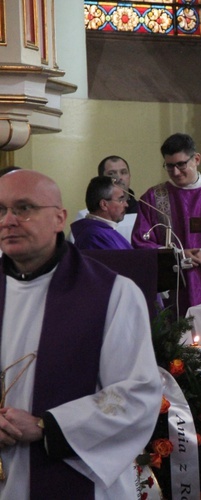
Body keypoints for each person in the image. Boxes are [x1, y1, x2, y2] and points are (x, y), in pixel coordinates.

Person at [0, 170, 161, 498]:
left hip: (76, 476)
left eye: (24, 208)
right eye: (1, 210)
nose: (8, 220)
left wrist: (48, 426)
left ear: (60, 218)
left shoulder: (112, 294)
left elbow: (138, 394)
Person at [131, 133, 201, 313]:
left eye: (181, 164)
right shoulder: (153, 198)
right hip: (175, 288)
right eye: (169, 166)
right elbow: (140, 242)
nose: (175, 172)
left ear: (196, 159)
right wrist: (177, 254)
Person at [70, 176, 132, 250]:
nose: (126, 204)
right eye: (120, 200)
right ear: (104, 204)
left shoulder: (103, 231)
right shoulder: (94, 236)